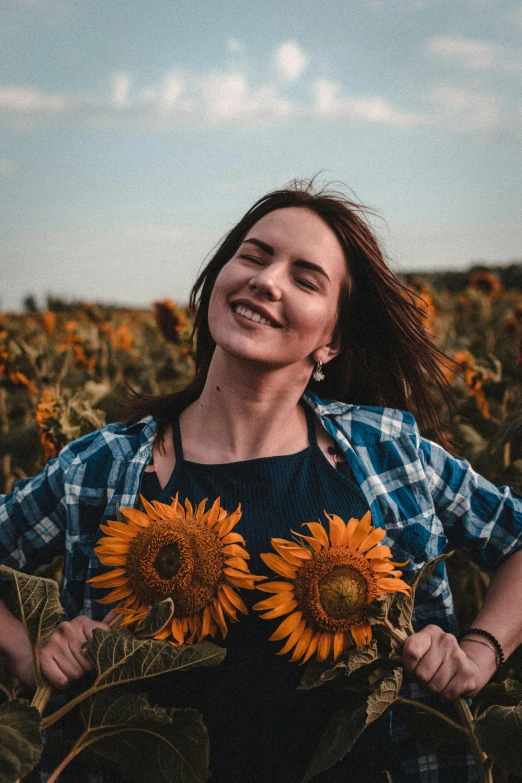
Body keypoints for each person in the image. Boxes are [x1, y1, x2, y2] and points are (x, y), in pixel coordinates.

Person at [1, 180, 522, 783]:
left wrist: (483, 650)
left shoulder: (388, 452)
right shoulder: (101, 466)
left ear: (333, 339)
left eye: (306, 278)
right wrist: (29, 650)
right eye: (253, 254)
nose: (267, 280)